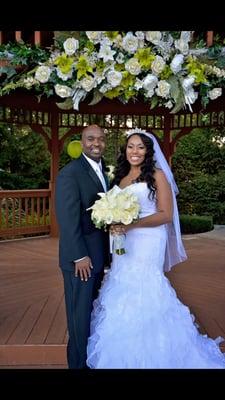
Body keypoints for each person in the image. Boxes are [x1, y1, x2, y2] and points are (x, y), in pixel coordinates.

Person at [86, 128, 225, 369]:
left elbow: (166, 214)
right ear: (125, 150)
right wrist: (111, 220)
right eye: (131, 146)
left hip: (148, 239)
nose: (135, 151)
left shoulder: (158, 175)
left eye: (141, 147)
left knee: (145, 283)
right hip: (123, 241)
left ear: (149, 151)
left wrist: (131, 225)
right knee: (122, 282)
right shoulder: (120, 176)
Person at [55, 124, 110, 369]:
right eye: (90, 139)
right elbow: (67, 220)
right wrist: (79, 256)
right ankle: (77, 365)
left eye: (100, 139)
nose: (95, 143)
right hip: (81, 260)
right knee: (79, 317)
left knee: (90, 313)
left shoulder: (102, 170)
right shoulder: (70, 173)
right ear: (81, 142)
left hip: (98, 257)